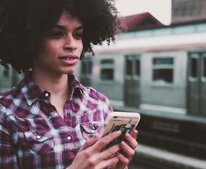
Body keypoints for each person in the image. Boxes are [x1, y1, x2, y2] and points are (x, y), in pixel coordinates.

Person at [0, 0, 138, 168]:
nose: (72, 45)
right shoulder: (5, 114)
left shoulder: (99, 104)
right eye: (57, 34)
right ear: (29, 39)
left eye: (78, 35)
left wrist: (120, 166)